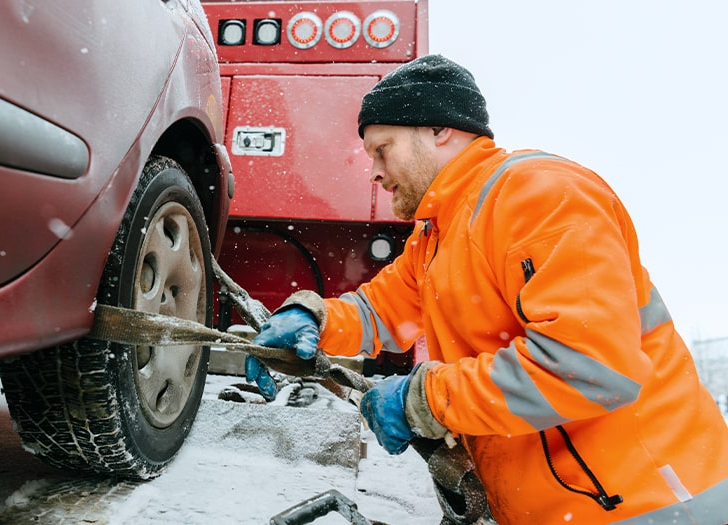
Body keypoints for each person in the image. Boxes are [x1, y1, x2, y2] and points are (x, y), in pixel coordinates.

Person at [246, 54, 728, 524]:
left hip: (652, 501)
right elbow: (381, 309)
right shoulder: (438, 234)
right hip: (565, 505)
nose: (373, 171)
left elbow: (588, 366)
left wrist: (424, 400)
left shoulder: (540, 197)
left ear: (439, 131)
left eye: (382, 150)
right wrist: (312, 319)